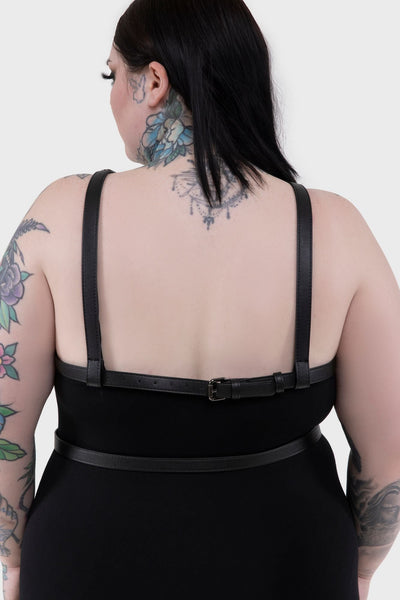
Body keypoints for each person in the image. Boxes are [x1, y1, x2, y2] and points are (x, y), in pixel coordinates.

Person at [0, 0, 399, 598]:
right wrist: (361, 570)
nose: (112, 97)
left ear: (155, 82)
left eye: (114, 75)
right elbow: (391, 453)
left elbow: (4, 430)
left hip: (86, 563)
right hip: (293, 562)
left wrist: (12, 563)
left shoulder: (60, 218)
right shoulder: (335, 228)